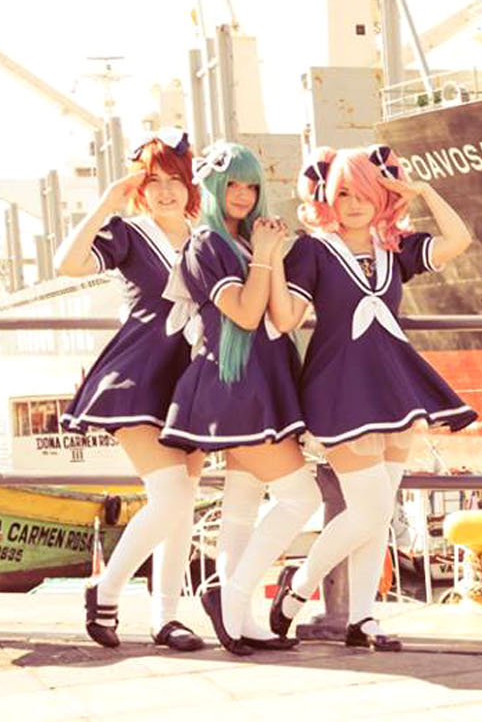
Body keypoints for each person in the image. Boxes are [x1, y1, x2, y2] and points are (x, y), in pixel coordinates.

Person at [266, 144, 476, 651]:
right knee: (371, 509)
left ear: (381, 195)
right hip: (339, 388)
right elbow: (286, 318)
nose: (355, 203)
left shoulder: (394, 249)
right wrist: (270, 261)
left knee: (378, 511)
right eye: (343, 193)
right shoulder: (313, 251)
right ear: (327, 199)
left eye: (364, 192)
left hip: (394, 389)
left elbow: (459, 240)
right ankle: (298, 587)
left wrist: (421, 191)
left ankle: (362, 618)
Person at [160, 141, 321, 655]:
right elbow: (247, 315)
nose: (244, 195)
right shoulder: (207, 244)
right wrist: (269, 255)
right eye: (233, 184)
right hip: (238, 386)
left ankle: (241, 619)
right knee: (303, 498)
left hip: (261, 381)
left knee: (242, 507)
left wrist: (268, 253)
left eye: (252, 186)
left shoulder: (243, 243)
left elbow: (279, 317)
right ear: (211, 186)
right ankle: (228, 596)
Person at [56, 131, 205, 652]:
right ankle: (106, 589)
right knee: (171, 496)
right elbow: (68, 264)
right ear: (140, 188)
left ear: (190, 186)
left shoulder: (206, 239)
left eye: (175, 180)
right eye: (154, 180)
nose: (165, 191)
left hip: (190, 381)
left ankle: (167, 618)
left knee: (184, 502)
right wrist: (105, 204)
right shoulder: (129, 234)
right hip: (137, 377)